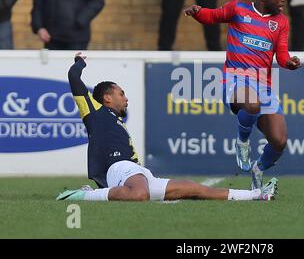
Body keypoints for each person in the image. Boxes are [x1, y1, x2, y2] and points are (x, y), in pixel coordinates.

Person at [56, 52, 278, 202]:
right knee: (139, 196)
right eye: (120, 93)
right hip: (120, 169)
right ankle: (83, 196)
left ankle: (258, 195)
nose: (126, 99)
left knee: (197, 189)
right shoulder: (93, 111)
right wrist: (79, 61)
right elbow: (74, 78)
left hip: (138, 172)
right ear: (106, 97)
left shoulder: (115, 119)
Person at [184, 0, 302, 190]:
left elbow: (282, 54)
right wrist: (198, 11)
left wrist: (289, 63)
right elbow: (212, 16)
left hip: (264, 85)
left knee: (279, 140)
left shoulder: (281, 22)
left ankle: (258, 169)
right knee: (251, 102)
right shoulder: (237, 9)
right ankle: (242, 142)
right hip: (235, 80)